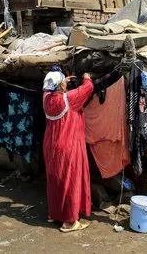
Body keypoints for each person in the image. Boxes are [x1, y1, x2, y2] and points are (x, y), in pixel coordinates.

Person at [42, 67, 94, 233]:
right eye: (63, 81)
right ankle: (70, 221)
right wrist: (86, 77)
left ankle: (54, 214)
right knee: (70, 182)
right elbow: (88, 88)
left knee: (55, 181)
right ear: (61, 86)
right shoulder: (68, 99)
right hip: (68, 146)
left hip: (51, 145)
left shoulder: (45, 98)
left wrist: (63, 82)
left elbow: (54, 90)